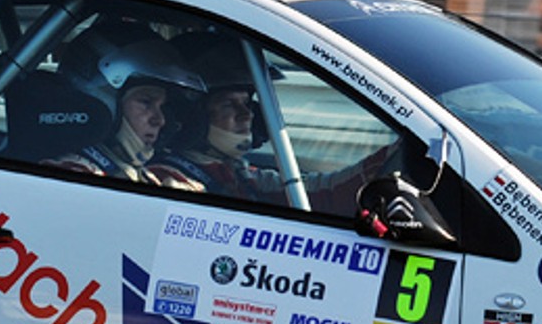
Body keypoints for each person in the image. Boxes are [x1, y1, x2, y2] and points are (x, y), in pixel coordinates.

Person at [157, 33, 398, 211]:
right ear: (192, 117)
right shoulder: (169, 178)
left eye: (247, 104)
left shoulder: (237, 174)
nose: (247, 115)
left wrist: (390, 158)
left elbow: (319, 192)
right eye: (229, 105)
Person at [47, 20, 205, 186]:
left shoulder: (139, 175)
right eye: (146, 102)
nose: (160, 120)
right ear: (102, 103)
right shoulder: (69, 176)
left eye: (162, 106)